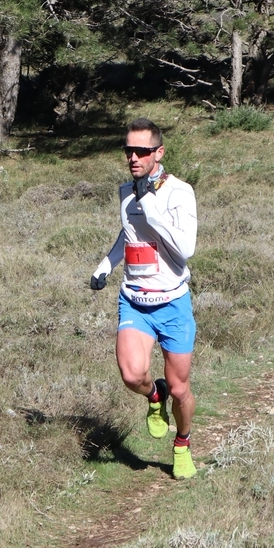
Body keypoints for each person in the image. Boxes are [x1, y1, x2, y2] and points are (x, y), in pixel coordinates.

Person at [90, 117, 199, 479]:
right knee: (131, 374)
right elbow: (128, 234)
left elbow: (186, 248)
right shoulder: (126, 191)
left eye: (142, 151)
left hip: (172, 303)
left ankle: (181, 443)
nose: (133, 157)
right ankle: (155, 396)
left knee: (180, 389)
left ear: (159, 153)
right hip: (135, 299)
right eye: (128, 151)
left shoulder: (180, 192)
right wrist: (106, 265)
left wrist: (151, 207)